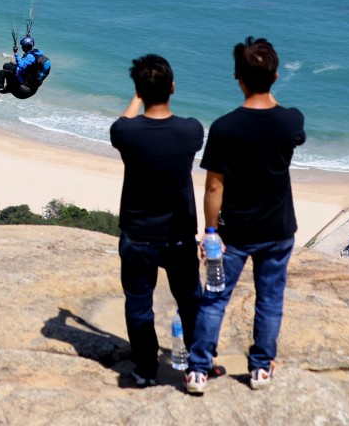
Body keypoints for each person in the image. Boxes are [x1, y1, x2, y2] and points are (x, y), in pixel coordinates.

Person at [185, 37, 306, 395]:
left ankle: (198, 370)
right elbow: (283, 116)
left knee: (215, 298)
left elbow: (213, 188)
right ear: (276, 77)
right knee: (269, 299)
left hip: (233, 231)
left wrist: (210, 231)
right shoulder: (290, 122)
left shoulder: (224, 127)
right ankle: (260, 369)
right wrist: (268, 90)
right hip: (277, 230)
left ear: (237, 78)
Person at [110, 54, 204, 388]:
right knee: (190, 303)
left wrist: (138, 96)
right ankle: (198, 368)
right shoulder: (191, 130)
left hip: (137, 234)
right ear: (173, 87)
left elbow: (123, 122)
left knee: (139, 305)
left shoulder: (126, 132)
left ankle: (146, 370)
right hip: (178, 234)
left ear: (138, 90)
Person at [0, 36, 51, 102]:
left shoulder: (30, 57)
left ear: (26, 47)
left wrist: (16, 52)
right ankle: (9, 87)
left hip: (23, 92)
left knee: (1, 73)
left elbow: (21, 65)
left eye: (23, 46)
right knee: (7, 66)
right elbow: (25, 66)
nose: (22, 47)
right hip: (32, 89)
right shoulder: (36, 53)